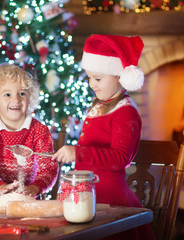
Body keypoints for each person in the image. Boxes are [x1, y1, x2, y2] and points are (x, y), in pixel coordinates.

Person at [52, 35, 155, 239]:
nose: (91, 84)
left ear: (119, 76)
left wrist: (78, 153)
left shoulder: (125, 112)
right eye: (89, 77)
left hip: (108, 200)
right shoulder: (100, 105)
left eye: (97, 79)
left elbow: (120, 158)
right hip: (87, 195)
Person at [0, 63, 58, 197]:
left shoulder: (39, 131)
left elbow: (48, 169)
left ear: (30, 98)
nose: (16, 99)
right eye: (7, 94)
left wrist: (34, 188)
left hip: (30, 200)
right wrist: (1, 187)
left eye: (22, 93)